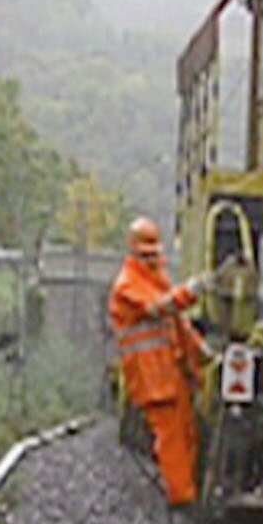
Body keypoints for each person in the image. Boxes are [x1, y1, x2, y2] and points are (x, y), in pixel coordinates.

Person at [109, 217, 211, 507]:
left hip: (170, 372)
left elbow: (178, 325)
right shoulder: (127, 285)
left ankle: (187, 491)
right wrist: (193, 290)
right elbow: (160, 308)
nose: (152, 260)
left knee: (187, 431)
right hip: (151, 376)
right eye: (146, 255)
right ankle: (182, 498)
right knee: (171, 437)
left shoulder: (155, 280)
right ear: (134, 253)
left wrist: (200, 351)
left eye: (154, 254)